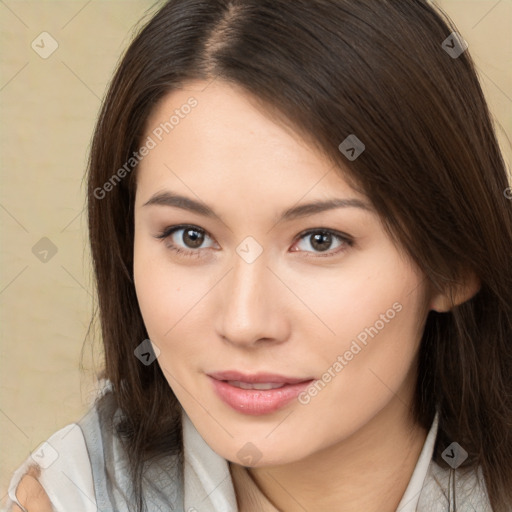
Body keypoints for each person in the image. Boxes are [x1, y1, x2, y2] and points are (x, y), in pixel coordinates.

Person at [6, 0, 512, 511]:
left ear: (451, 262)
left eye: (320, 240)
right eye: (190, 236)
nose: (245, 323)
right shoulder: (66, 498)